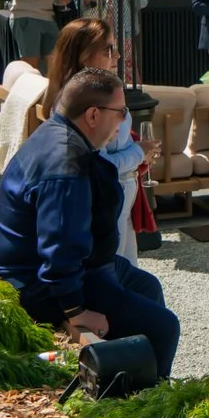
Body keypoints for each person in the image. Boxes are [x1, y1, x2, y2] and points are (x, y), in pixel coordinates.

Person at [0, 67, 180, 377]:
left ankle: (128, 376)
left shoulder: (58, 133)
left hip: (76, 267)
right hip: (38, 285)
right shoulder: (67, 163)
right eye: (120, 113)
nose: (122, 123)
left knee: (147, 286)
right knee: (164, 328)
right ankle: (147, 403)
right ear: (92, 115)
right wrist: (76, 311)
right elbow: (60, 247)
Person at [43, 18, 147, 262]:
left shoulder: (96, 94)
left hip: (119, 199)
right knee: (115, 277)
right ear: (84, 56)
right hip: (105, 204)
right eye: (108, 50)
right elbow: (97, 165)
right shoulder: (77, 104)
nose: (117, 56)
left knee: (128, 277)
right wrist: (139, 153)